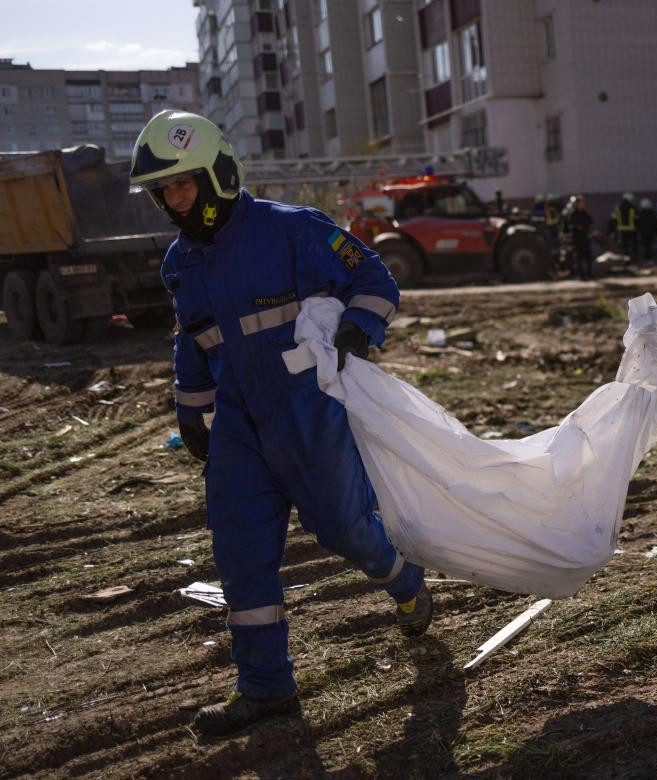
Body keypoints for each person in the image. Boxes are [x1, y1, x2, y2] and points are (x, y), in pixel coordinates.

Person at [128, 110, 434, 736]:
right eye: (165, 191)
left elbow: (374, 277)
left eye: (184, 184)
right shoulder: (180, 263)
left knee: (345, 531)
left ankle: (403, 579)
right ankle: (266, 688)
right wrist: (191, 407)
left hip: (307, 409)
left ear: (217, 174)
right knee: (238, 547)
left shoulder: (292, 230)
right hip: (240, 422)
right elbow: (193, 339)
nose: (175, 200)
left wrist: (358, 327)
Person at [568, 194, 595, 281]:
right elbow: (574, 224)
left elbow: (590, 221)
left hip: (585, 237)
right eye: (581, 203)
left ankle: (589, 273)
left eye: (583, 203)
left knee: (588, 256)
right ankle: (581, 275)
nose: (583, 204)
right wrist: (580, 226)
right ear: (577, 204)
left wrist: (584, 226)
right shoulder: (573, 214)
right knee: (579, 257)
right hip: (577, 238)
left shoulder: (584, 213)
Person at [611, 192, 638, 260]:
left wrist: (615, 229)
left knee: (624, 246)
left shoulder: (618, 207)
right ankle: (634, 259)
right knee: (633, 245)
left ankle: (626, 260)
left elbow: (614, 218)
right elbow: (636, 219)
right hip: (632, 230)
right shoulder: (633, 207)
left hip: (622, 230)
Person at [636, 197, 657, 266]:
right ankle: (650, 260)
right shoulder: (652, 214)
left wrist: (638, 232)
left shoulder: (640, 214)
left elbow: (638, 224)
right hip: (651, 233)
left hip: (644, 233)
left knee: (645, 247)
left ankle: (646, 260)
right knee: (649, 247)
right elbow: (656, 223)